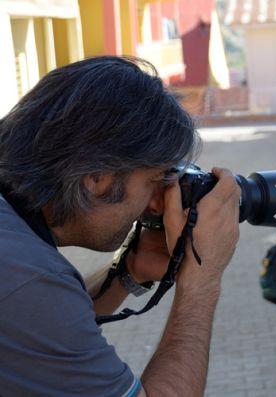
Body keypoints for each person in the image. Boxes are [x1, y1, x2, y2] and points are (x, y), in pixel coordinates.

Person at [0, 56, 241, 396]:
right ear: (97, 177)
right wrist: (202, 279)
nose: (157, 203)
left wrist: (129, 270)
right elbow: (37, 299)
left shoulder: (15, 243)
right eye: (155, 181)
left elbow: (37, 325)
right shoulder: (29, 278)